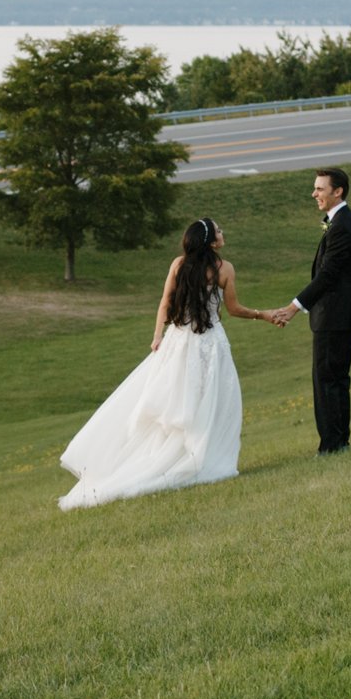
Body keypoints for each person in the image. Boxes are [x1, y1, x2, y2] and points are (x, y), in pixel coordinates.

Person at [56, 217, 263, 510]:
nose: (222, 232)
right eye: (218, 230)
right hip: (210, 344)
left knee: (176, 401)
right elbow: (234, 309)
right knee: (210, 402)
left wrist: (157, 337)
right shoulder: (224, 268)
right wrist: (263, 314)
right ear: (210, 240)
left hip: (179, 341)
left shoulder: (179, 265)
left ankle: (184, 456)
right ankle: (200, 459)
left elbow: (165, 303)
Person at [265, 167, 351, 454]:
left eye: (320, 189)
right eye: (315, 188)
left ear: (338, 191)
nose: (314, 194)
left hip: (335, 316)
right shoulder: (340, 222)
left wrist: (292, 307)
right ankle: (338, 442)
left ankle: (332, 446)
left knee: (327, 381)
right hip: (340, 314)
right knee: (335, 379)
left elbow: (327, 276)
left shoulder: (343, 227)